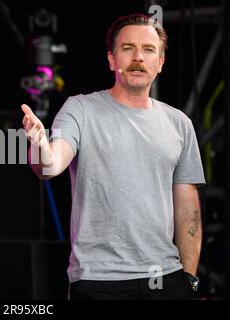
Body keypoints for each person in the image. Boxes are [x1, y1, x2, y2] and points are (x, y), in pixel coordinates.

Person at [21, 13, 205, 300]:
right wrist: (40, 144)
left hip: (165, 278)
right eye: (128, 48)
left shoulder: (179, 123)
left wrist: (189, 278)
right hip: (99, 280)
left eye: (148, 50)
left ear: (160, 63)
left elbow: (188, 208)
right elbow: (50, 166)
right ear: (111, 59)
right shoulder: (80, 109)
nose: (138, 58)